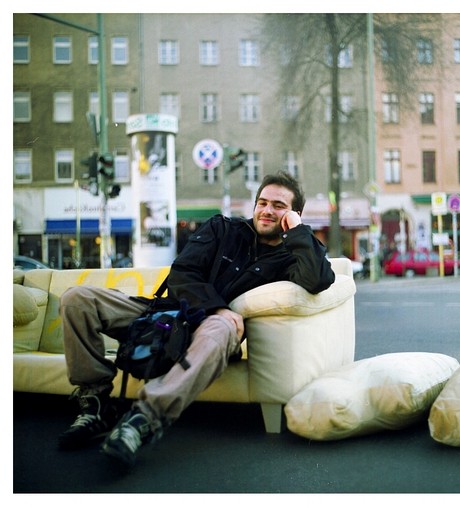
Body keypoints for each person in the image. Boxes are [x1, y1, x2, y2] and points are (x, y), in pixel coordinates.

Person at [57, 171, 335, 469]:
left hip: (215, 334)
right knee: (77, 299)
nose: (267, 210)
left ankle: (144, 419)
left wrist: (297, 232)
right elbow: (182, 272)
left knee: (222, 325)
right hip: (168, 313)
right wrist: (216, 307)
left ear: (294, 214)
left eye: (278, 206)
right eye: (262, 202)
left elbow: (317, 279)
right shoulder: (222, 229)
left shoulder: (295, 253)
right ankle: (96, 402)